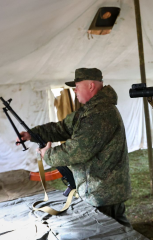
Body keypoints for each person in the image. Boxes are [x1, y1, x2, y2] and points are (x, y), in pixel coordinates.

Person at [17, 68, 132, 228]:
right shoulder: (89, 111)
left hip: (105, 191)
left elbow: (77, 150)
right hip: (99, 188)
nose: (75, 90)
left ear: (91, 86)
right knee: (112, 230)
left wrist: (48, 155)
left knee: (114, 231)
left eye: (78, 85)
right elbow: (62, 128)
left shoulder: (100, 113)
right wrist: (33, 134)